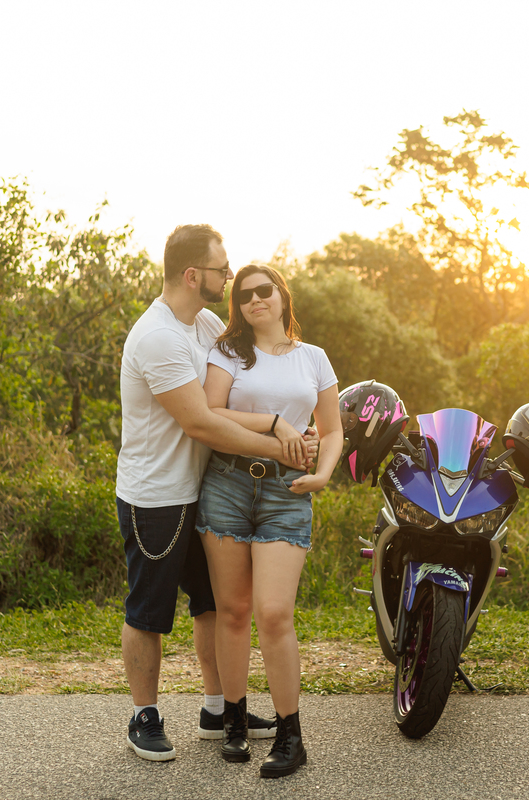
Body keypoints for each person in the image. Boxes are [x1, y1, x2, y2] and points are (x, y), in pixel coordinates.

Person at [116, 225, 316, 762]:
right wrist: (278, 443)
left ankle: (215, 708)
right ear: (191, 275)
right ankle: (144, 714)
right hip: (156, 495)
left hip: (204, 490)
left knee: (212, 606)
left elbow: (250, 380)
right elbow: (201, 423)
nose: (229, 278)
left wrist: (301, 427)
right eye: (221, 270)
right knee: (148, 611)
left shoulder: (204, 323)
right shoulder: (157, 337)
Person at [196, 264, 344, 778]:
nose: (256, 300)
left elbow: (330, 431)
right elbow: (212, 412)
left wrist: (323, 475)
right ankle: (234, 722)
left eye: (265, 291)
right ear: (237, 305)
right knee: (233, 611)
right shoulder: (228, 352)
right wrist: (275, 422)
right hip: (228, 486)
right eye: (245, 295)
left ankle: (290, 735)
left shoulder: (314, 359)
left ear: (282, 296)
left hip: (288, 492)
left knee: (275, 613)